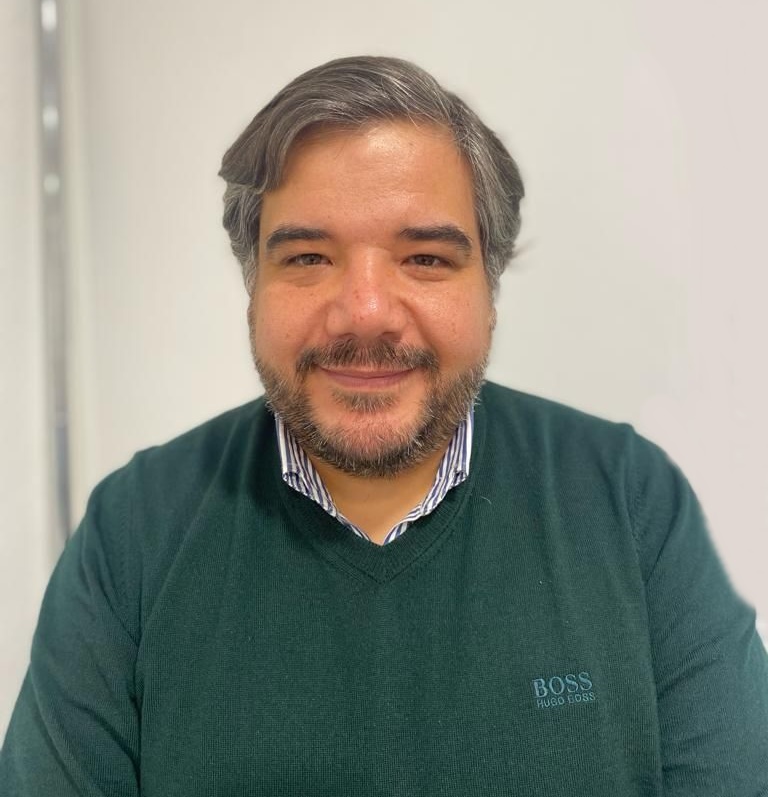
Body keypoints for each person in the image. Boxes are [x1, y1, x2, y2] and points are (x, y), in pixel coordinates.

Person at [1, 55, 766, 796]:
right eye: (308, 258)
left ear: (490, 291)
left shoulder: (632, 502)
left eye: (425, 259)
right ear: (252, 289)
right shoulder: (134, 531)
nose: (365, 312)